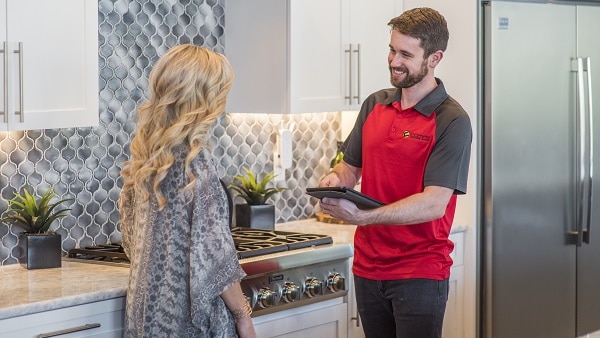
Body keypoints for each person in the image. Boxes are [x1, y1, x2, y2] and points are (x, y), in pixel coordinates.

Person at [319, 7, 472, 338]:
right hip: (367, 268)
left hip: (420, 272)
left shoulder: (452, 120)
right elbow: (349, 167)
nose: (393, 61)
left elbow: (433, 204)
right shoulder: (375, 104)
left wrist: (364, 217)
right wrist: (334, 181)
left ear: (434, 58)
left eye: (406, 54)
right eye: (392, 49)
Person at [118, 44, 257, 338]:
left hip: (148, 314)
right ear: (202, 100)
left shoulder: (144, 160)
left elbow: (131, 244)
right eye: (219, 92)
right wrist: (243, 315)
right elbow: (217, 257)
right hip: (190, 320)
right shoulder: (196, 166)